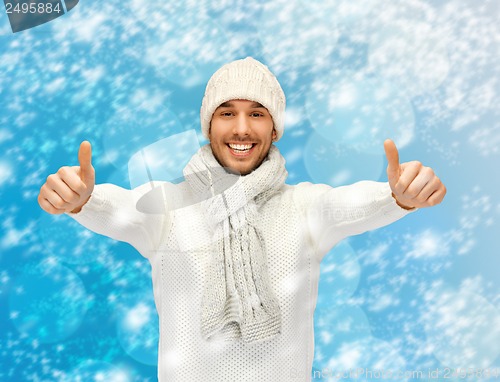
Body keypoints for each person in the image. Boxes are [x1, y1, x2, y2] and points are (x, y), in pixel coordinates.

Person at [37, 57, 446, 381]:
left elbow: (353, 202)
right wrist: (80, 199)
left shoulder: (306, 207)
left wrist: (399, 196)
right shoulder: (166, 206)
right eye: (227, 113)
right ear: (208, 125)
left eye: (258, 113)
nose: (242, 128)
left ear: (275, 129)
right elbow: (117, 207)